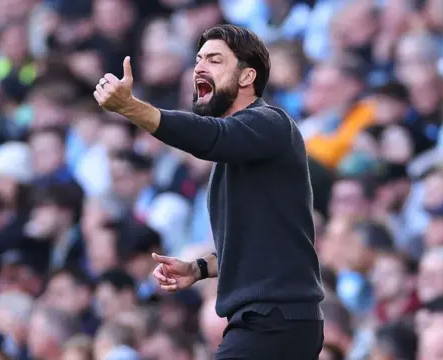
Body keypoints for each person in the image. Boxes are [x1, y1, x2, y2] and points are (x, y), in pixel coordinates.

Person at [93, 24, 324, 359]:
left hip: (275, 319)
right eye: (198, 59)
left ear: (247, 77)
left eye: (215, 60)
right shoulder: (235, 155)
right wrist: (198, 268)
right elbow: (257, 245)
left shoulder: (270, 123)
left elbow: (209, 136)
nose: (199, 67)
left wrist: (131, 107)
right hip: (268, 321)